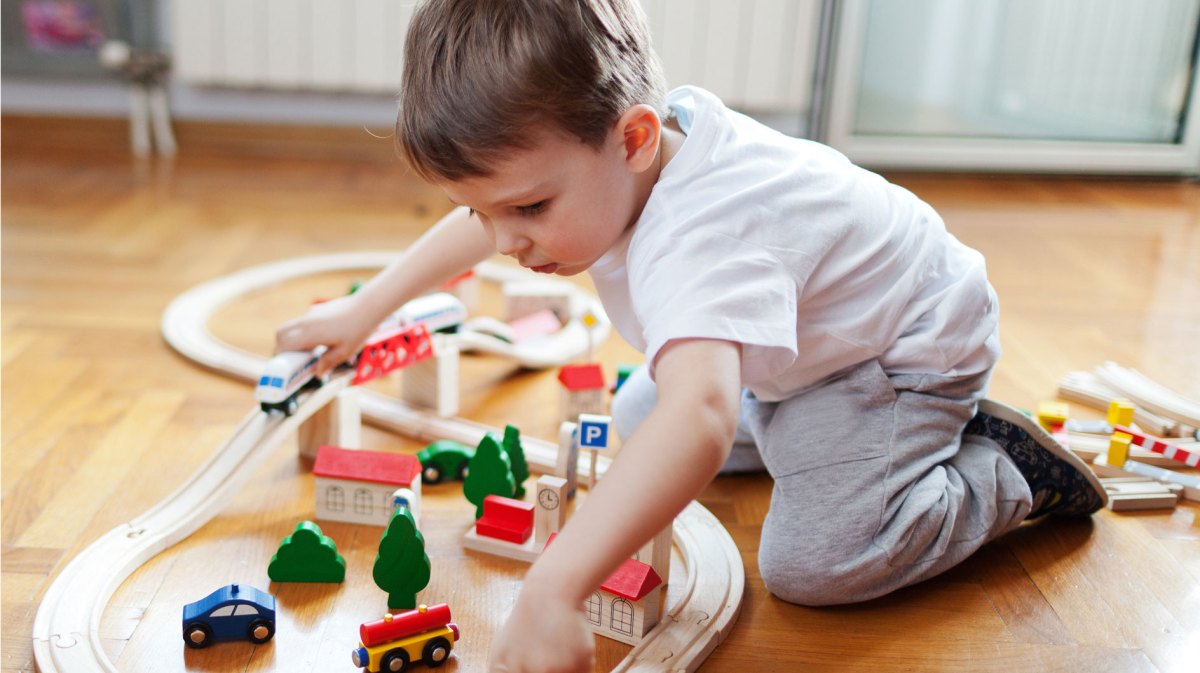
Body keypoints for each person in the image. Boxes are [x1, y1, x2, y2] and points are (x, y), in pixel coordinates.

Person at [274, 1, 1108, 670]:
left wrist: (559, 587)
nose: (505, 242)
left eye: (529, 209)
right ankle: (810, 426)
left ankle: (1002, 471)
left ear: (634, 138)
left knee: (812, 566)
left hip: (893, 353)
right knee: (638, 434)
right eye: (490, 210)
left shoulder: (703, 233)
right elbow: (483, 219)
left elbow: (703, 420)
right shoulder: (631, 146)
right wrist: (366, 309)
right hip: (796, 346)